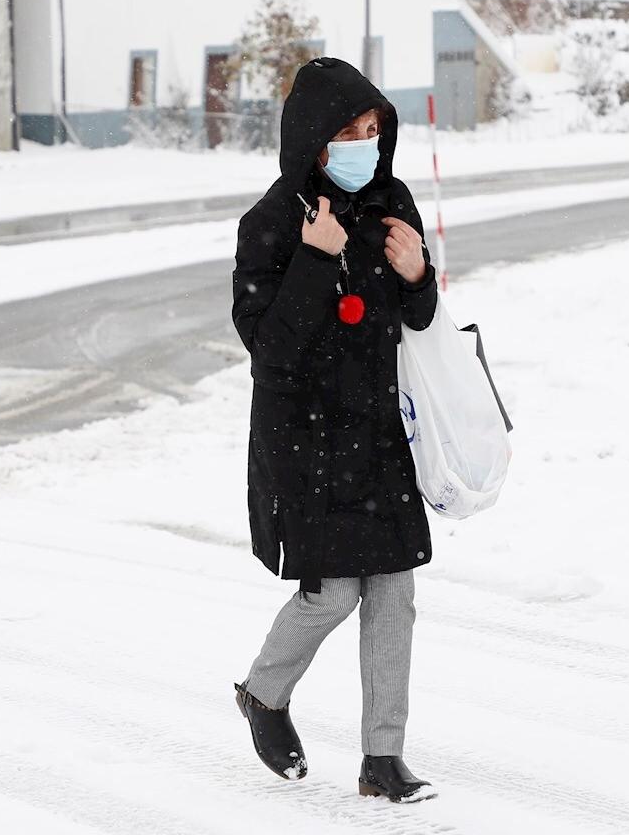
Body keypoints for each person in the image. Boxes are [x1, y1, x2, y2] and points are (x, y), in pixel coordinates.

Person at [230, 57, 439, 804]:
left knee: (394, 594)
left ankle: (384, 757)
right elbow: (273, 353)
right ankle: (263, 692)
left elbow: (416, 320)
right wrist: (317, 260)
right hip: (308, 443)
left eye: (374, 127)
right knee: (332, 594)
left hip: (381, 434)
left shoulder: (392, 202)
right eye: (349, 131)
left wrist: (420, 276)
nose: (366, 142)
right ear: (314, 142)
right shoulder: (272, 223)